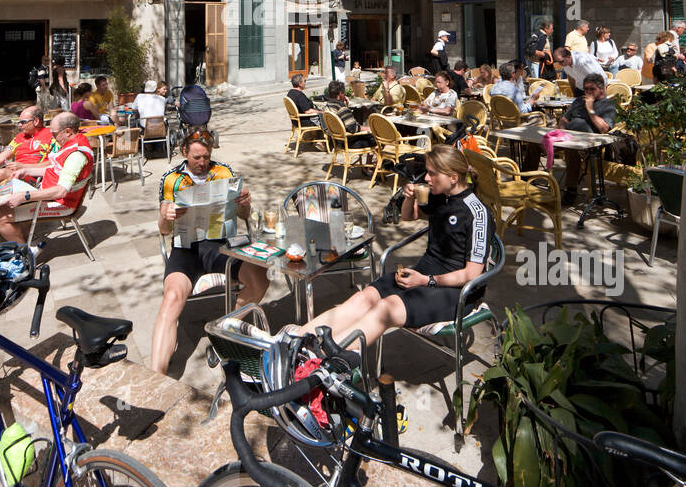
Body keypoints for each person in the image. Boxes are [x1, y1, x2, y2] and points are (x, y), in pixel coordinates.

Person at [295, 145, 493, 345]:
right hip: (422, 275)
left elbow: (472, 275)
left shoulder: (477, 213)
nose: (426, 178)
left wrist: (426, 281)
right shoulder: (442, 196)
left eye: (432, 174)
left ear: (453, 177)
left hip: (456, 292)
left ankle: (323, 358)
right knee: (363, 298)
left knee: (385, 308)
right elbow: (409, 216)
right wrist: (409, 197)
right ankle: (296, 340)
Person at [151, 129, 269, 374]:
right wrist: (165, 216)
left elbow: (243, 217)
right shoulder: (171, 179)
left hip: (221, 244)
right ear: (185, 153)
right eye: (196, 158)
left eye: (206, 156)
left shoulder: (223, 172)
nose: (202, 162)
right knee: (172, 297)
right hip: (186, 248)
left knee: (260, 279)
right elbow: (163, 230)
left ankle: (224, 333)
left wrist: (245, 205)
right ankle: (156, 376)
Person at [0, 112, 94, 249]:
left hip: (62, 204)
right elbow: (55, 169)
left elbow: (61, 191)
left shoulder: (76, 155)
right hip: (50, 195)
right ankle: (24, 243)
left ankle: (25, 254)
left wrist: (25, 196)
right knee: (1, 209)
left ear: (68, 131)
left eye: (54, 133)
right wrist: (26, 171)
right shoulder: (72, 143)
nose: (52, 137)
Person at [560, 74, 616, 206]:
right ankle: (527, 180)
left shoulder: (608, 105)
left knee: (571, 150)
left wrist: (590, 108)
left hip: (588, 143)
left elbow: (604, 128)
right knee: (536, 144)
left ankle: (571, 190)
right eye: (586, 89)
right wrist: (561, 130)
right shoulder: (578, 101)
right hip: (566, 136)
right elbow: (564, 119)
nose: (588, 92)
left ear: (601, 89)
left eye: (592, 89)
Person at [0, 106, 54, 191]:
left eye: (23, 122)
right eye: (19, 122)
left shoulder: (52, 136)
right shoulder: (19, 138)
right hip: (16, 175)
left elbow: (55, 162)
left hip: (36, 178)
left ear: (36, 121)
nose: (19, 125)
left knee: (1, 173)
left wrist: (24, 166)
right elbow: (0, 158)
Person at [323, 80, 374, 144]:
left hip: (338, 140)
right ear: (341, 93)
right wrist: (369, 129)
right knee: (375, 136)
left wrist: (346, 105)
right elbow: (353, 128)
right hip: (350, 141)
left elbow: (343, 119)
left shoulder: (327, 106)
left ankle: (370, 153)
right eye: (344, 93)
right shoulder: (341, 108)